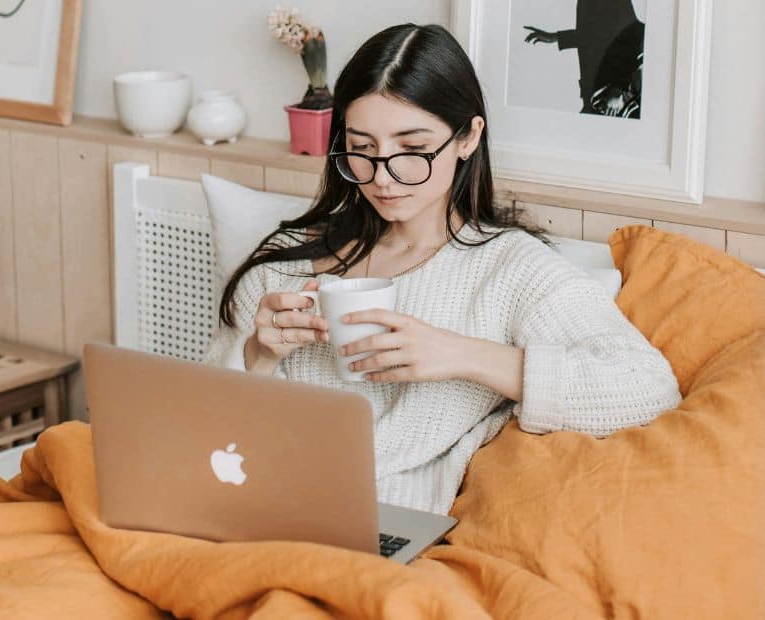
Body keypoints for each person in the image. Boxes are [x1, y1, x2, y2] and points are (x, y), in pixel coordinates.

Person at [203, 24, 682, 515]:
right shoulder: (284, 265)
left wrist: (462, 355)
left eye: (412, 150)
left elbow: (647, 387)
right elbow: (205, 430)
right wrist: (257, 355)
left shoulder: (509, 271)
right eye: (363, 149)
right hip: (250, 506)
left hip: (379, 527)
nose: (384, 177)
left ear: (468, 138)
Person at [523, 0, 645, 116]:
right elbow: (597, 33)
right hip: (598, 99)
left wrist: (620, 88)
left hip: (615, 102)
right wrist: (555, 37)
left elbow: (633, 32)